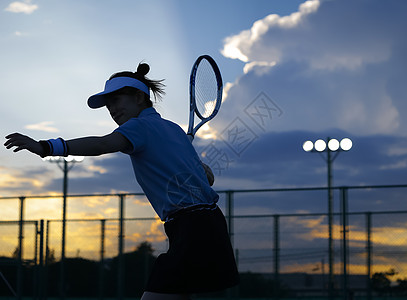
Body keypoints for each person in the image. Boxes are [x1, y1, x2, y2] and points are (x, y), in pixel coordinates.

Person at [4, 63, 239, 300]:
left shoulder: (138, 127)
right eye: (108, 105)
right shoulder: (173, 130)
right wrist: (199, 168)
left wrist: (45, 147)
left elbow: (103, 144)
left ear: (139, 97)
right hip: (204, 224)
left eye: (116, 100)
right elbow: (207, 179)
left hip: (193, 227)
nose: (112, 109)